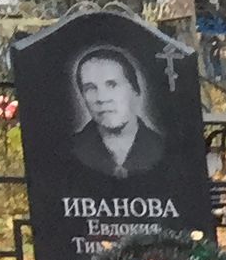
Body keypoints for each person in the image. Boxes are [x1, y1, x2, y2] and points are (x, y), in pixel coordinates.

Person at [69, 47, 169, 180]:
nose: (101, 98)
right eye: (90, 88)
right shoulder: (69, 151)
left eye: (112, 85)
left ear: (135, 90)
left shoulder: (164, 148)